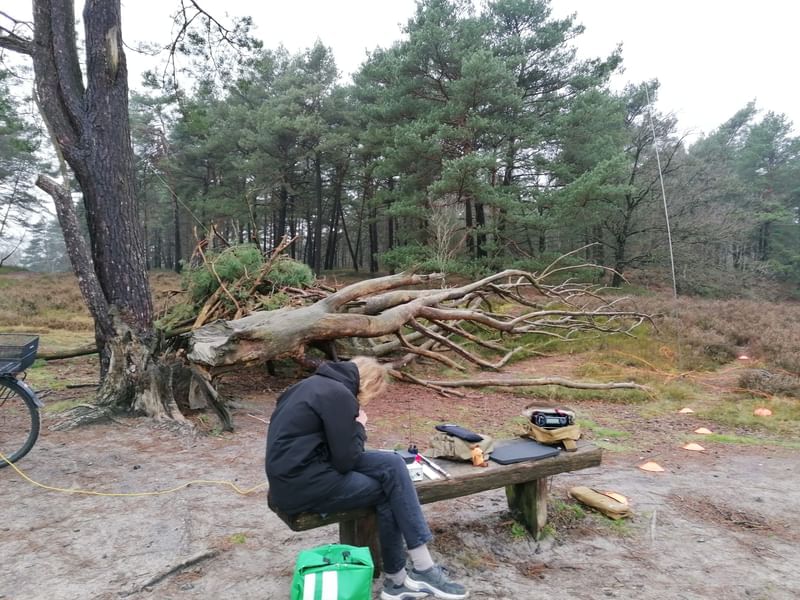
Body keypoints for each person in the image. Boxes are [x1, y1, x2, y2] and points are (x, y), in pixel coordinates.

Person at [266, 356, 468, 600]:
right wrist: (359, 426)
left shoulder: (309, 385)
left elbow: (330, 448)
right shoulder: (340, 395)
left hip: (293, 478)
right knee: (390, 492)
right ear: (369, 384)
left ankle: (405, 577)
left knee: (393, 464)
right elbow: (346, 460)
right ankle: (410, 574)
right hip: (304, 485)